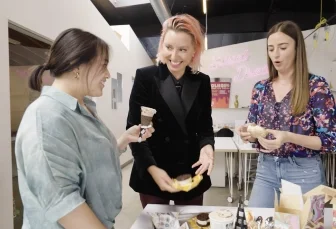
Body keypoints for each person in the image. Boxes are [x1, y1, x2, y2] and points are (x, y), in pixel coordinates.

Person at [15, 28, 154, 229]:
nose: (108, 74)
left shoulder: (82, 107)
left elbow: (87, 161)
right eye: (104, 65)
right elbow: (65, 205)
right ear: (76, 66)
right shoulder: (46, 117)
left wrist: (123, 140)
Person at [237, 20, 336, 208]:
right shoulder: (260, 88)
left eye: (282, 47)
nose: (275, 54)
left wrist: (288, 137)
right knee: (256, 222)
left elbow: (330, 140)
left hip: (304, 170)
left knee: (306, 224)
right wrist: (248, 132)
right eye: (271, 48)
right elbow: (253, 128)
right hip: (266, 168)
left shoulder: (316, 87)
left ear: (297, 48)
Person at [126, 14, 215, 208]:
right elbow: (135, 131)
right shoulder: (145, 78)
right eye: (169, 47)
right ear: (161, 46)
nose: (174, 57)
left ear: (194, 51)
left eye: (182, 49)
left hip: (190, 172)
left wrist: (207, 147)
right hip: (153, 170)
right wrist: (151, 168)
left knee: (190, 223)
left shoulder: (202, 82)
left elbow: (205, 127)